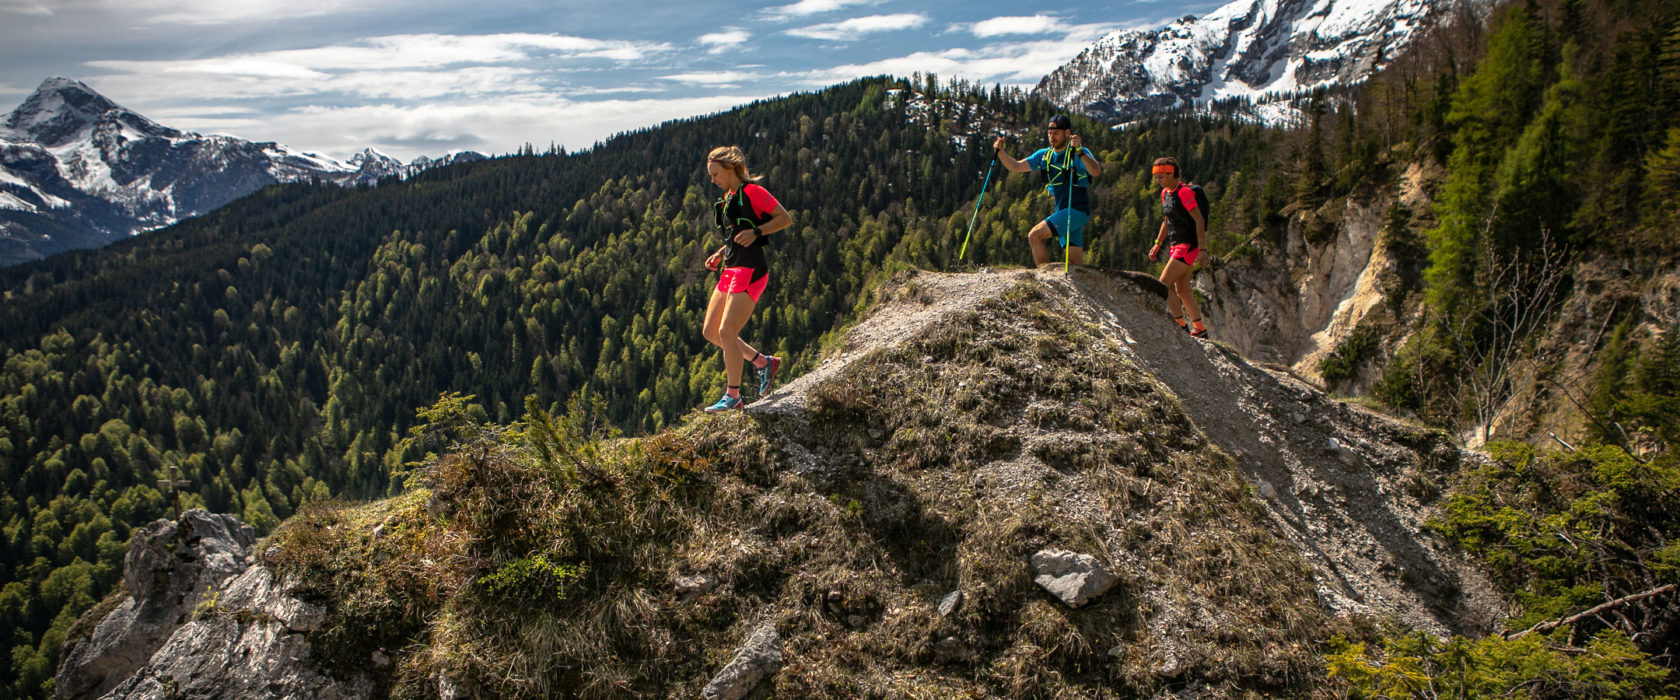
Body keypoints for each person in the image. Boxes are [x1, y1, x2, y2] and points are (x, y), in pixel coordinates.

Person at [700, 146, 792, 412]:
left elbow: (784, 219)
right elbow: (735, 234)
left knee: (727, 331)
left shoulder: (753, 192)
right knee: (711, 332)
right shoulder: (731, 196)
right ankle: (763, 362)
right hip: (731, 267)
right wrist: (719, 253)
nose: (713, 179)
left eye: (715, 174)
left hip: (750, 269)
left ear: (730, 169)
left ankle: (734, 396)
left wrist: (757, 231)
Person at [993, 114, 1102, 267]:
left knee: (1035, 235)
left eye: (1056, 133)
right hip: (1063, 212)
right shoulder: (1045, 155)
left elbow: (1096, 171)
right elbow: (1016, 167)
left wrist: (1080, 152)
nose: (1052, 137)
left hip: (1076, 210)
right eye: (1050, 133)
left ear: (1067, 133)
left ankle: (1044, 277)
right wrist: (1001, 153)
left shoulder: (1078, 152)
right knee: (1074, 266)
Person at [1147, 157, 1209, 338]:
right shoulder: (1165, 193)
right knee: (1182, 290)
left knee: (1163, 285)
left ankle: (1180, 326)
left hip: (1188, 245)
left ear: (1171, 173)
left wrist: (1202, 249)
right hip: (1176, 244)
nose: (1158, 181)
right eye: (1156, 178)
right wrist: (1157, 244)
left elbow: (1199, 219)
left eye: (1161, 177)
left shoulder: (1184, 193)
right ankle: (1199, 329)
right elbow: (1167, 220)